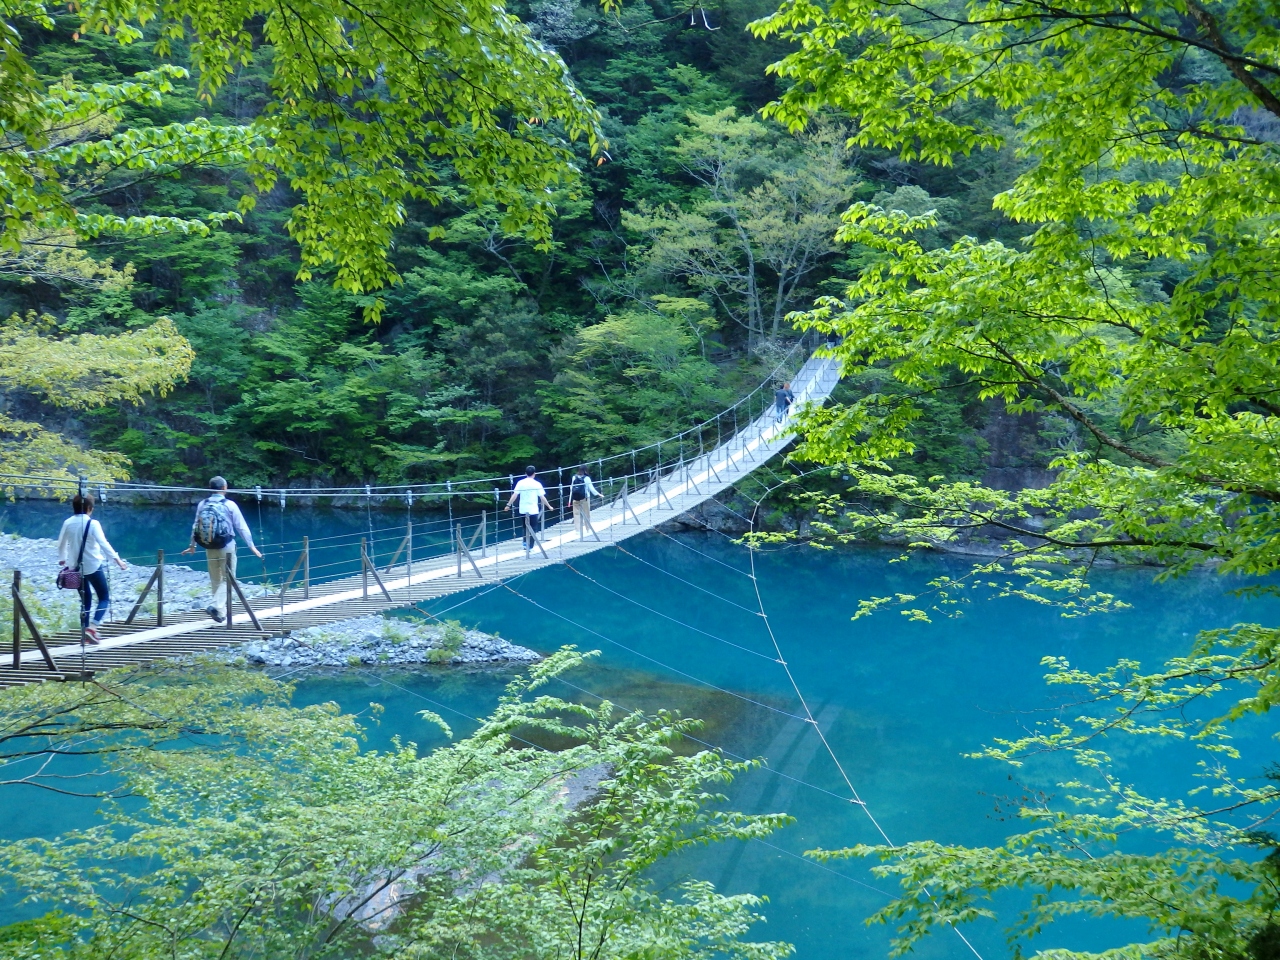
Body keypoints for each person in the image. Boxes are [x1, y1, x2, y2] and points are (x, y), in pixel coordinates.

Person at [182, 477, 263, 622]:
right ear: (225, 487)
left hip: (209, 546)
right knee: (229, 579)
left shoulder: (203, 504)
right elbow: (241, 527)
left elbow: (195, 526)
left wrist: (192, 545)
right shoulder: (230, 505)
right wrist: (251, 546)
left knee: (215, 579)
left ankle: (220, 613)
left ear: (209, 487)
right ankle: (215, 606)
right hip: (227, 546)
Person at [57, 493, 127, 644]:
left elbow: (61, 543)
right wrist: (118, 560)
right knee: (104, 597)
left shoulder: (67, 522)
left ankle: (84, 635)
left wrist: (62, 559)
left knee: (85, 601)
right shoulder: (93, 523)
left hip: (75, 568)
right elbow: (104, 543)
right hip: (93, 566)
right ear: (89, 508)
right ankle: (92, 628)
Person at [505, 466, 554, 555]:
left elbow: (514, 495)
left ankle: (525, 544)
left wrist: (508, 505)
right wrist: (549, 506)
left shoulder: (520, 483)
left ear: (525, 473)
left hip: (523, 509)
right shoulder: (537, 484)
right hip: (533, 509)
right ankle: (530, 546)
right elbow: (542, 497)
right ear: (534, 474)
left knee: (525, 527)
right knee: (533, 527)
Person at [568, 466, 602, 540]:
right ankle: (588, 529)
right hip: (585, 498)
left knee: (576, 514)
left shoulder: (574, 477)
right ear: (586, 470)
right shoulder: (586, 478)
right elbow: (591, 489)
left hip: (575, 498)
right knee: (586, 514)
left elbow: (571, 488)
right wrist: (599, 494)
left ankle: (577, 530)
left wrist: (570, 499)